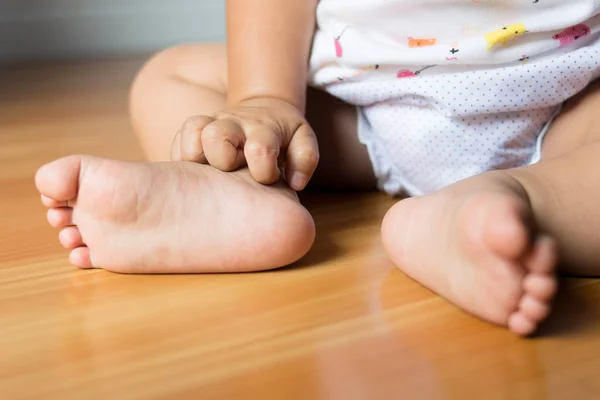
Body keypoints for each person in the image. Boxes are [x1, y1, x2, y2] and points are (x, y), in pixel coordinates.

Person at [35, 0, 600, 336]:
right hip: (363, 109)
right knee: (172, 77)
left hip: (571, 95)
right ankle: (242, 189)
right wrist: (263, 99)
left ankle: (497, 207)